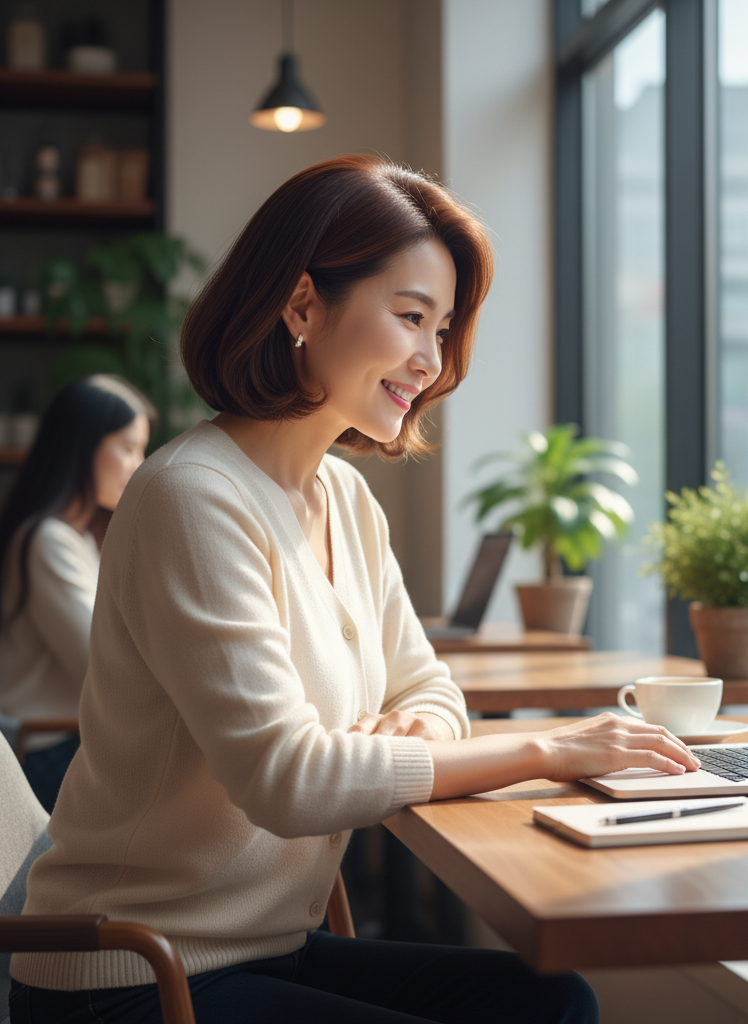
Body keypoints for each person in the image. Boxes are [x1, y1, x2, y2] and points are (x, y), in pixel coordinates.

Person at [9, 156, 700, 1024]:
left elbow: (430, 687)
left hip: (260, 946)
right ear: (301, 306)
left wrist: (410, 727)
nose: (431, 359)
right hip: (135, 974)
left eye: (442, 328)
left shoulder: (345, 497)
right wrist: (548, 750)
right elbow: (289, 780)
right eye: (411, 316)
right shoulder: (191, 495)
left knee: (550, 1002)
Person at [0, 374, 153, 811]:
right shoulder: (48, 541)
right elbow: (105, 663)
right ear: (82, 446)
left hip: (68, 744)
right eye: (127, 447)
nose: (139, 464)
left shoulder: (82, 539)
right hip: (44, 752)